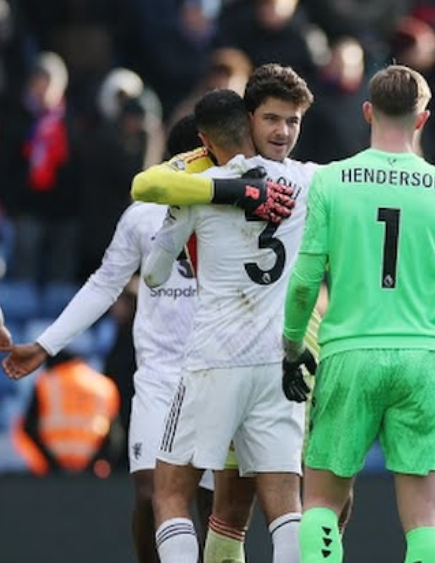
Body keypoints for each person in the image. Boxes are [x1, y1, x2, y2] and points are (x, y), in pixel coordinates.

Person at [283, 64, 435, 563]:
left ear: (368, 112)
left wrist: (293, 342)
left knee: (321, 502)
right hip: (422, 357)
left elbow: (304, 281)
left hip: (349, 352)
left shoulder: (332, 181)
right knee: (424, 518)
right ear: (423, 119)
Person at [0, 113, 218, 563]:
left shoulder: (234, 211)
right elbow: (104, 284)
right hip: (158, 377)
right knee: (149, 493)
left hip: (217, 375)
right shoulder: (143, 215)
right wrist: (46, 345)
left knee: (213, 503)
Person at [132, 63, 323, 563]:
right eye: (273, 120)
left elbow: (154, 274)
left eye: (292, 121)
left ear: (205, 140)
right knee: (285, 506)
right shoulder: (307, 182)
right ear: (250, 120)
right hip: (277, 361)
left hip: (212, 359)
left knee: (171, 494)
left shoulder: (198, 188)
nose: (283, 131)